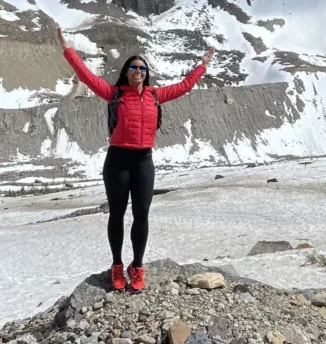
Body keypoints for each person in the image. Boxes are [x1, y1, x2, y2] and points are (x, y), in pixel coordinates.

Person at [57, 26, 215, 292]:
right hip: (117, 160)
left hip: (143, 161)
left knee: (142, 214)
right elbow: (85, 75)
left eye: (142, 69)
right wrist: (66, 48)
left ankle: (137, 265)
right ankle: (117, 264)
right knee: (117, 214)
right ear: (126, 72)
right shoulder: (114, 93)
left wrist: (202, 65)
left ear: (147, 73)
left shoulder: (155, 95)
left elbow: (185, 85)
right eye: (133, 68)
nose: (138, 72)